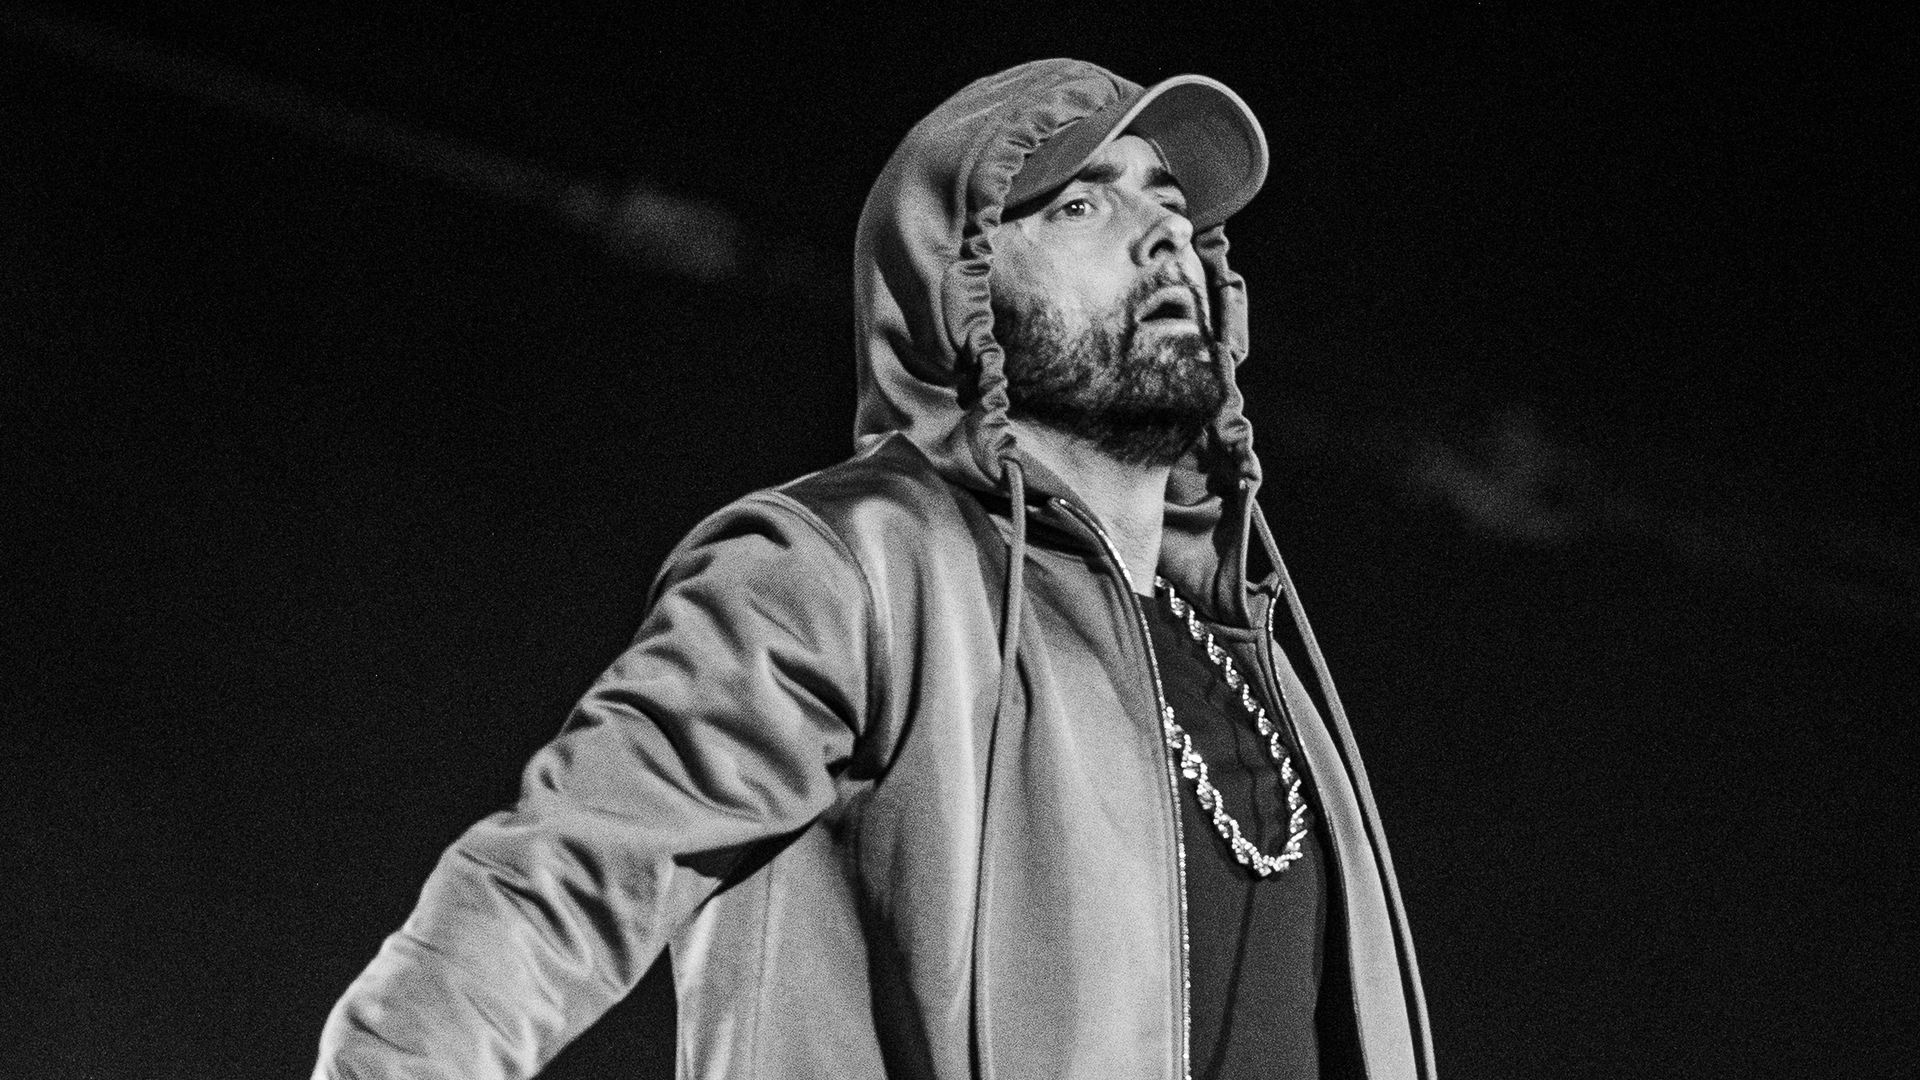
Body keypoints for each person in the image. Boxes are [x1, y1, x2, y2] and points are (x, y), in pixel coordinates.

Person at [314, 58, 1436, 1080]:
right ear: (964, 284)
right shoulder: (859, 567)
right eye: (1086, 201)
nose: (1162, 236)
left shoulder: (1263, 666)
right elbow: (557, 884)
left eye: (1174, 205)